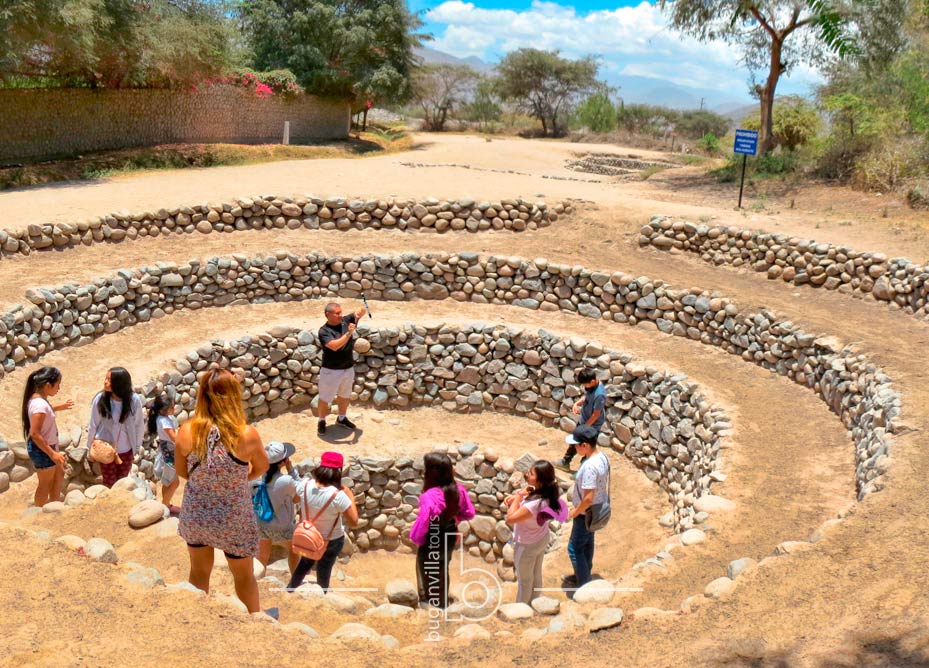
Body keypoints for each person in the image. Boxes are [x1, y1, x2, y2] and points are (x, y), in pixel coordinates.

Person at [175, 368, 269, 613]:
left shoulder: (186, 431)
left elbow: (183, 473)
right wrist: (237, 479)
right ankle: (255, 622)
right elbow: (262, 466)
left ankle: (198, 616)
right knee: (244, 577)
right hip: (233, 518)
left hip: (197, 515)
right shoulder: (246, 434)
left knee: (198, 572)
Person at [410, 452, 476, 608]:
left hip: (433, 536)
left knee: (425, 569)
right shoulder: (459, 490)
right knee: (442, 566)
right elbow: (469, 513)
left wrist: (417, 538)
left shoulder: (430, 496)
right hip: (450, 535)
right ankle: (442, 602)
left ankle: (429, 605)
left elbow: (424, 521)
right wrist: (455, 520)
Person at [287, 450, 359, 592]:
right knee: (325, 567)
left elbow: (295, 499)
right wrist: (350, 496)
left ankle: (291, 588)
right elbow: (354, 522)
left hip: (308, 534)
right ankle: (323, 593)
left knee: (305, 562)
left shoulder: (305, 484)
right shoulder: (338, 495)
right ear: (338, 471)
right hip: (331, 539)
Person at [505, 460, 568, 604]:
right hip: (541, 538)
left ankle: (520, 611)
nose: (527, 474)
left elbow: (510, 518)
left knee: (524, 581)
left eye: (531, 473)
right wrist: (518, 498)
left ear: (540, 480)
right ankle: (535, 602)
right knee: (536, 573)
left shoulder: (534, 504)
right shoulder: (546, 493)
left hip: (526, 545)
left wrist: (518, 497)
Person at [565, 425, 611, 589]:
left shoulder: (590, 466)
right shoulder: (603, 457)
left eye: (576, 445)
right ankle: (583, 573)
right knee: (588, 543)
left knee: (574, 548)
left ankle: (583, 584)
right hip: (597, 510)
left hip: (585, 513)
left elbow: (588, 498)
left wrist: (575, 512)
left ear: (584, 445)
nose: (574, 447)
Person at [22, 366, 74, 507]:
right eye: (57, 385)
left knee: (59, 474)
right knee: (45, 484)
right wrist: (52, 454)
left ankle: (55, 506)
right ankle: (39, 512)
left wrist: (58, 407)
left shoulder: (39, 399)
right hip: (44, 450)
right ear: (47, 385)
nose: (59, 388)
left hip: (49, 446)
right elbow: (34, 433)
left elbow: (44, 410)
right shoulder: (39, 405)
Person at [87, 367, 145, 487]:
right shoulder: (100, 399)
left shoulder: (133, 400)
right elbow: (93, 424)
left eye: (109, 379)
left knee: (122, 483)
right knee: (109, 483)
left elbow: (139, 424)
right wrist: (90, 449)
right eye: (106, 378)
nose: (105, 382)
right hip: (105, 450)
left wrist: (137, 446)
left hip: (126, 450)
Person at [252, 441, 301, 575]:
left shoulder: (255, 475)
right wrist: (291, 470)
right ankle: (295, 582)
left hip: (261, 523)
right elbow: (298, 497)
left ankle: (259, 580)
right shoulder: (285, 481)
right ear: (282, 462)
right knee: (293, 550)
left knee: (262, 556)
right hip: (282, 526)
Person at [317, 301, 365, 435]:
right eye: (337, 313)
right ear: (328, 314)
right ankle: (321, 420)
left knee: (344, 395)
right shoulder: (324, 331)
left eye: (341, 312)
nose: (340, 315)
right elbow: (334, 346)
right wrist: (349, 333)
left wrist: (360, 311)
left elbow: (360, 312)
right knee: (325, 398)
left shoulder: (345, 321)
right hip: (331, 370)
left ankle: (342, 418)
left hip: (348, 368)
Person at [556, 368, 607, 472]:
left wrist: (585, 427)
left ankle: (583, 470)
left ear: (592, 381)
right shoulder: (592, 386)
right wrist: (577, 403)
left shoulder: (600, 395)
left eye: (585, 384)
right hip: (584, 421)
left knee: (588, 448)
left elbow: (596, 415)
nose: (584, 387)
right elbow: (587, 396)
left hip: (592, 426)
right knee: (575, 441)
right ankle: (565, 462)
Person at [148, 394, 180, 515]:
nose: (174, 408)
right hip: (170, 454)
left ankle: (166, 504)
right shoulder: (164, 422)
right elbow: (175, 438)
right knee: (174, 482)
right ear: (164, 410)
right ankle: (165, 505)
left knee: (167, 480)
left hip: (167, 451)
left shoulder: (162, 419)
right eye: (172, 407)